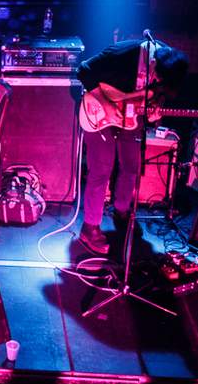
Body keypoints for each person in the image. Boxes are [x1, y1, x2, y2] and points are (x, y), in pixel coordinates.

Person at [76, 37, 188, 254]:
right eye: (157, 76)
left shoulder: (169, 64)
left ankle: (121, 211)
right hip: (98, 110)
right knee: (101, 169)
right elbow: (84, 70)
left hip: (131, 116)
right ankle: (89, 228)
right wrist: (107, 106)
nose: (156, 80)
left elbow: (157, 94)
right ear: (153, 62)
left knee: (131, 166)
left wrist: (155, 110)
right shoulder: (125, 53)